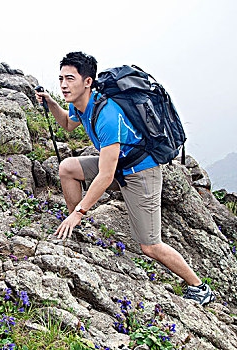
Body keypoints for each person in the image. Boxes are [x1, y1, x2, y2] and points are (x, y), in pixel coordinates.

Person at [35, 51, 214, 306]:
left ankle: (199, 286)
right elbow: (66, 123)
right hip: (120, 166)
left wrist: (80, 211)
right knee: (67, 168)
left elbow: (106, 176)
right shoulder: (82, 104)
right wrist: (51, 102)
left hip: (141, 174)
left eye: (70, 79)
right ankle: (74, 229)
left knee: (150, 246)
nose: (64, 84)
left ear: (87, 82)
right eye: (61, 78)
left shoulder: (107, 116)